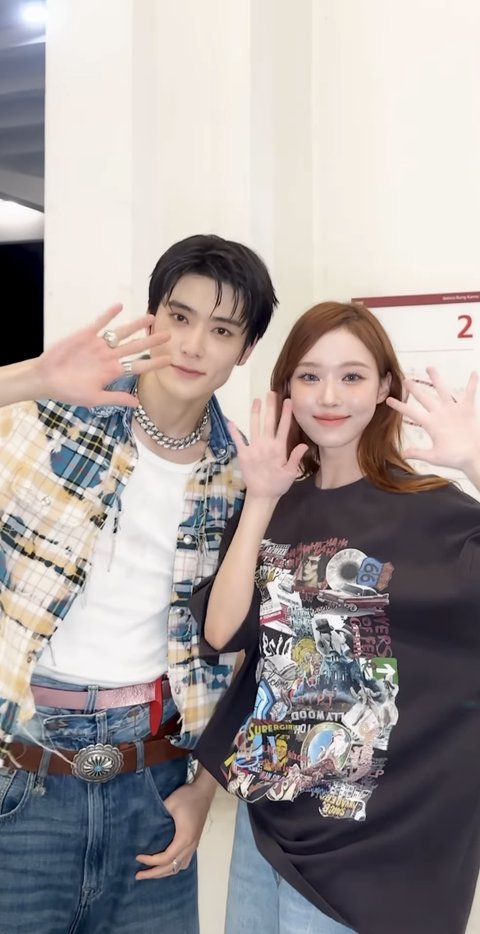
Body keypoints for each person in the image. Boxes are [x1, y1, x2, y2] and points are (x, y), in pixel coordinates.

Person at [0, 233, 277, 934]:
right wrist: (31, 378)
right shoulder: (48, 418)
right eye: (179, 317)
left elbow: (246, 654)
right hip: (22, 771)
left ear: (245, 350)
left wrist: (204, 791)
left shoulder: (244, 476)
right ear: (153, 318)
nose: (192, 345)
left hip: (153, 780)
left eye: (221, 331)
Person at [191, 300, 480, 934]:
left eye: (352, 376)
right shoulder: (273, 502)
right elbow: (222, 632)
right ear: (287, 389)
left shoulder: (438, 511)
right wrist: (261, 499)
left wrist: (475, 460)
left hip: (379, 855)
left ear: (384, 388)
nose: (329, 396)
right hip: (268, 827)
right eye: (309, 375)